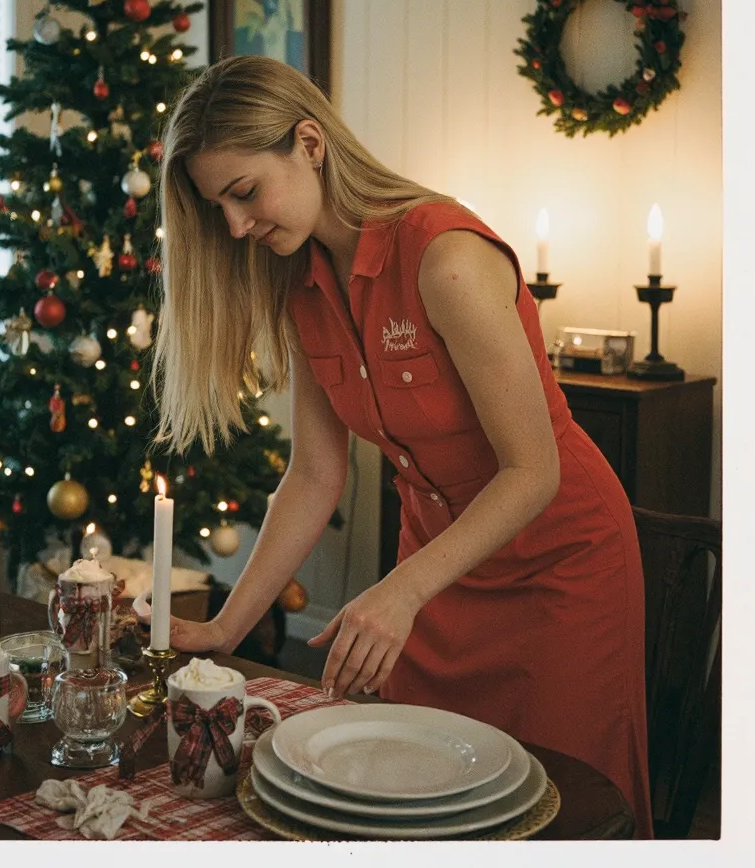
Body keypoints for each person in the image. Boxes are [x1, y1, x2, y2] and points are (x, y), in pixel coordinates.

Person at [151, 54, 653, 838]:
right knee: (418, 806)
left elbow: (534, 470)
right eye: (220, 208)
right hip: (440, 574)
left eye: (244, 193)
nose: (238, 227)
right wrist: (224, 628)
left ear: (310, 143)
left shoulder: (445, 255)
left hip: (559, 568)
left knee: (559, 813)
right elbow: (315, 476)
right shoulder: (299, 282)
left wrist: (402, 590)